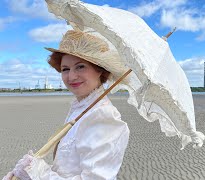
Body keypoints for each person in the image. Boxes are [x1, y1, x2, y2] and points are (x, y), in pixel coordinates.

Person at [2, 30, 130, 180]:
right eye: (65, 69)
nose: (71, 76)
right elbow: (68, 170)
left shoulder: (104, 117)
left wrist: (38, 173)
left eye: (80, 66)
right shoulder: (81, 108)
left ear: (99, 70)